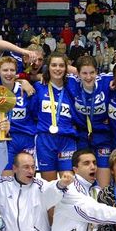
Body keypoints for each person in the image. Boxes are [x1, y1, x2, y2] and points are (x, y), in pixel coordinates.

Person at [68, 56, 112, 187]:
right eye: (84, 73)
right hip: (82, 136)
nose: (88, 77)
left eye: (92, 72)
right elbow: (53, 67)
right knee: (84, 183)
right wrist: (25, 81)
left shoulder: (106, 81)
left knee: (103, 187)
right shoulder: (71, 82)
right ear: (78, 73)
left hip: (103, 136)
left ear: (96, 72)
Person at [33, 52, 77, 182]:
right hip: (45, 140)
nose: (57, 69)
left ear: (66, 68)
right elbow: (33, 111)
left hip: (66, 140)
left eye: (61, 65)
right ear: (48, 67)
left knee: (68, 185)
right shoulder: (38, 87)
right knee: (49, 186)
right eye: (54, 65)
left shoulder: (71, 88)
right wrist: (24, 81)